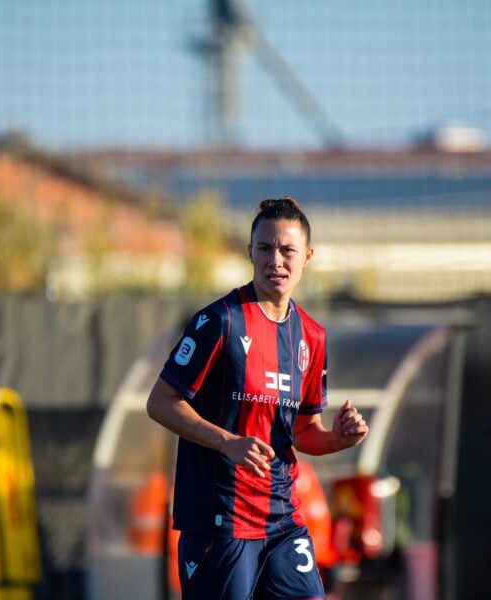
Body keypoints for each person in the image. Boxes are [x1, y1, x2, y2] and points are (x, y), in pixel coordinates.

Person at [147, 196, 368, 600]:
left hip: (283, 521)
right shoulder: (220, 322)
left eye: (287, 250)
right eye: (265, 249)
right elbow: (161, 402)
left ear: (308, 257)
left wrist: (339, 438)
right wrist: (226, 442)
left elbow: (303, 432)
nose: (276, 261)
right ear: (250, 252)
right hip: (221, 523)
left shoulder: (311, 336)